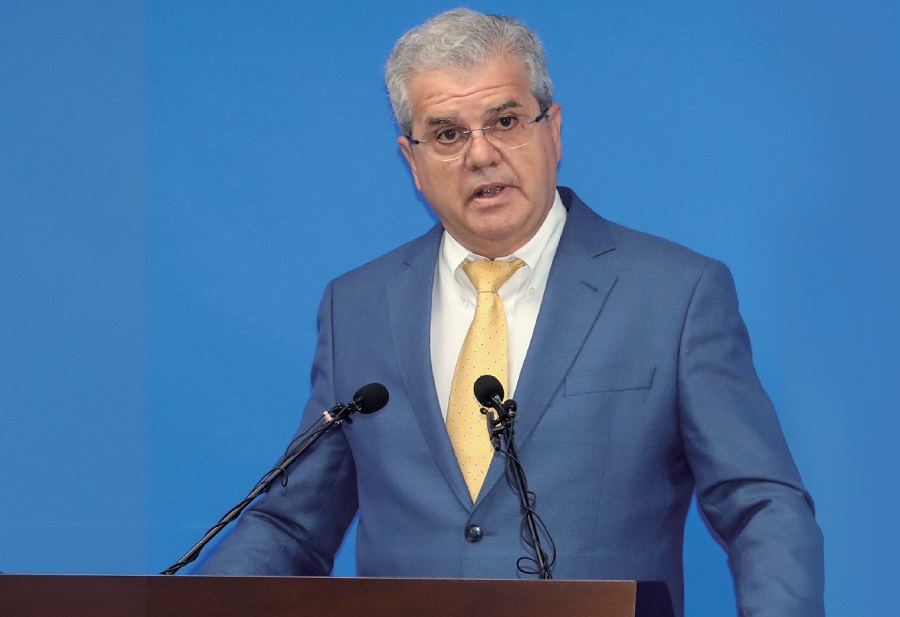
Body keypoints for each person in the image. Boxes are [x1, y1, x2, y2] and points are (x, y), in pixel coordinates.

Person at [198, 8, 825, 616]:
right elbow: (292, 525)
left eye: (504, 121)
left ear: (552, 130)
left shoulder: (676, 294)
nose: (480, 154)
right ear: (411, 159)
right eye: (447, 133)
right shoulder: (356, 305)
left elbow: (761, 503)